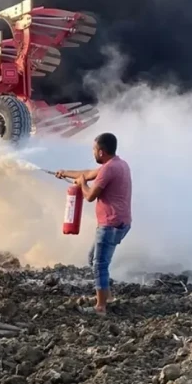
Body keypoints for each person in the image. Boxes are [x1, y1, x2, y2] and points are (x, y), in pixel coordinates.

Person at [55, 132, 132, 315]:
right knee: (94, 259)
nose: (93, 152)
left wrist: (82, 184)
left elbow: (89, 196)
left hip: (110, 225)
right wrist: (64, 172)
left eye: (94, 149)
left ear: (101, 152)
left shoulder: (108, 170)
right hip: (121, 222)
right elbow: (88, 174)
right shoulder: (119, 164)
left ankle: (100, 306)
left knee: (99, 264)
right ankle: (107, 296)